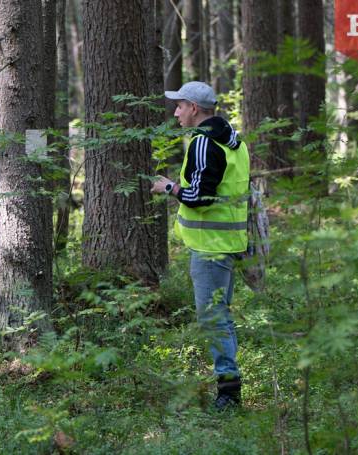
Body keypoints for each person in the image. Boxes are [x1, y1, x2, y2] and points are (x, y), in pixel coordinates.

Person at [151, 81, 250, 411]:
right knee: (220, 316)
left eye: (180, 105)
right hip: (227, 242)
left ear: (194, 108)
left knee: (213, 319)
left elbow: (199, 198)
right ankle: (229, 386)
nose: (176, 112)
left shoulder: (205, 144)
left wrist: (168, 187)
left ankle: (228, 394)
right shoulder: (232, 140)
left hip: (211, 248)